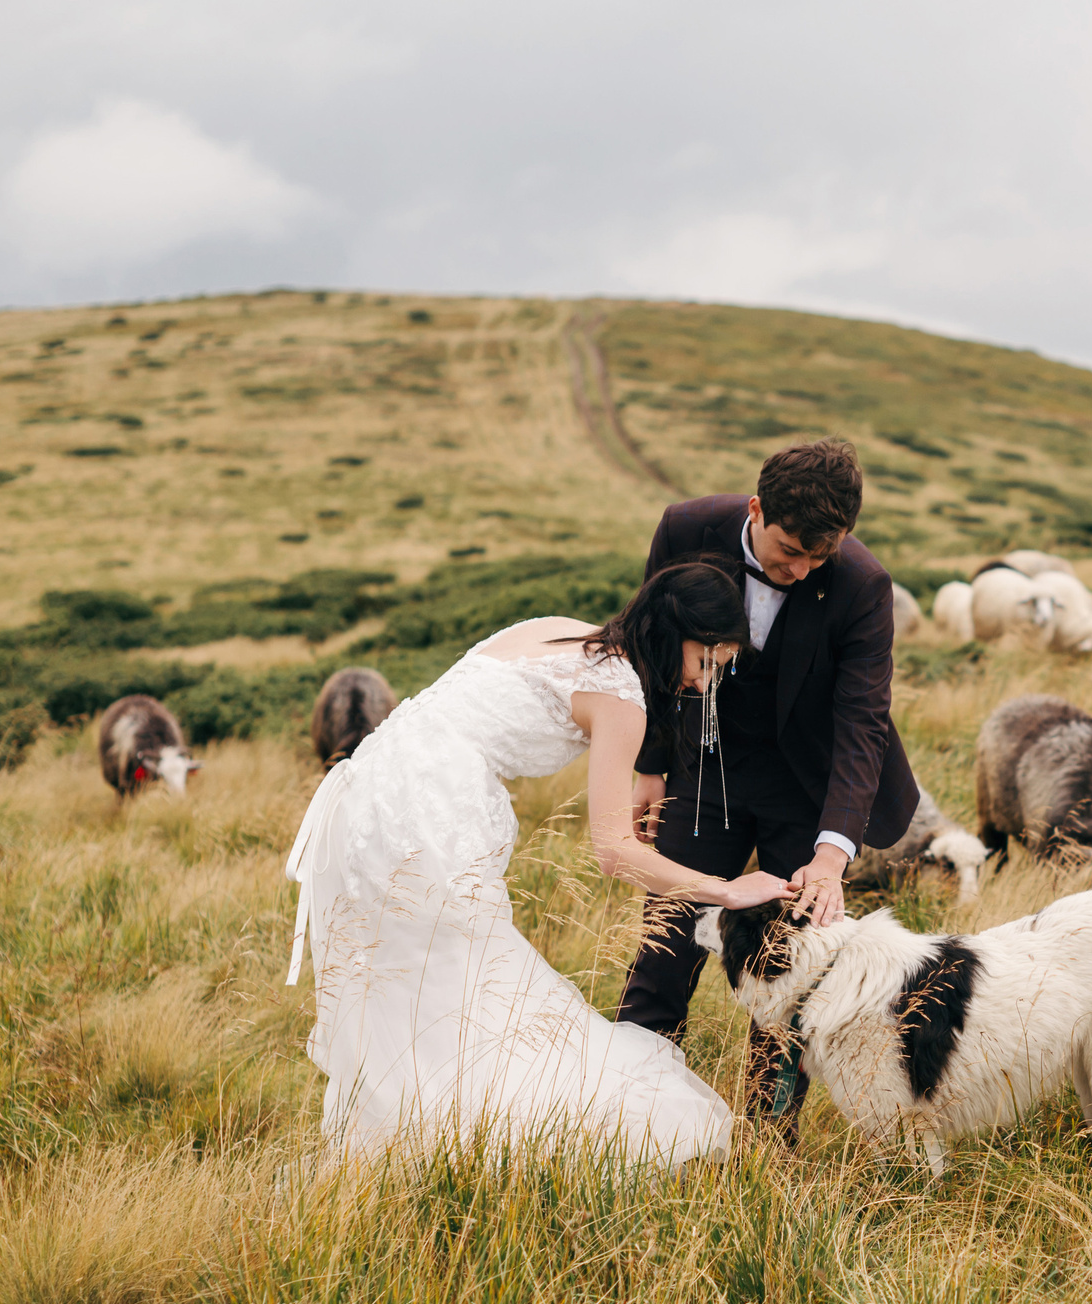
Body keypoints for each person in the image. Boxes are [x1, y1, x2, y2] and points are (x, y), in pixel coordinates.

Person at [283, 560, 789, 1164]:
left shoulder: (558, 630)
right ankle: (484, 1146)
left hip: (362, 793)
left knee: (410, 985)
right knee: (462, 984)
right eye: (706, 662)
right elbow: (615, 852)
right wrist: (724, 890)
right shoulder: (623, 691)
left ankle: (410, 1149)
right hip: (426, 804)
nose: (707, 684)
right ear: (673, 631)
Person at [615, 439, 919, 1140]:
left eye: (820, 557)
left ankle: (767, 1139)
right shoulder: (686, 529)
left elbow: (863, 721)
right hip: (704, 769)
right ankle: (628, 1111)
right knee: (667, 942)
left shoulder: (862, 585)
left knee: (789, 967)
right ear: (756, 510)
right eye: (789, 552)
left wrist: (832, 851)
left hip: (804, 788)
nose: (803, 569)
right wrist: (650, 764)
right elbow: (656, 649)